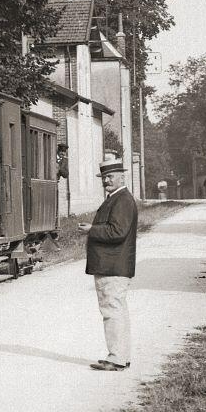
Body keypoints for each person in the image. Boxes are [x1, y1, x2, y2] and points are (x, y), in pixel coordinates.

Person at [78, 157, 137, 370]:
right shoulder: (118, 198)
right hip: (114, 265)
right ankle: (121, 356)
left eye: (110, 176)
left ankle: (117, 359)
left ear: (122, 176)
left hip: (112, 266)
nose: (106, 181)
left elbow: (117, 232)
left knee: (112, 311)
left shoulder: (121, 200)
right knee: (117, 311)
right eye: (104, 177)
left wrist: (90, 230)